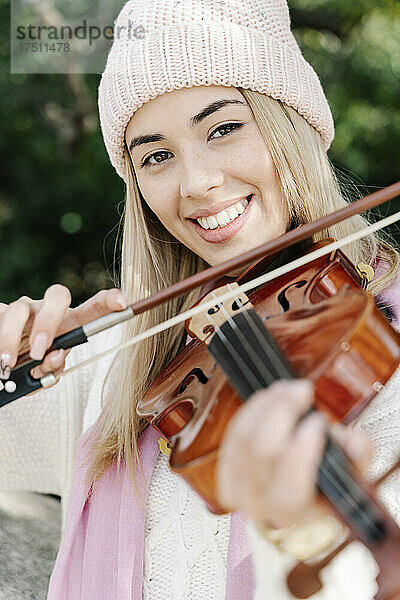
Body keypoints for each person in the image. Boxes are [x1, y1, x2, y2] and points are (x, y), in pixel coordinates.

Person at [1, 0, 400, 598]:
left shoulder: (380, 345)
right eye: (156, 155)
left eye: (224, 128)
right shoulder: (120, 376)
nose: (197, 183)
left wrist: (301, 530)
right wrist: (13, 347)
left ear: (291, 125)